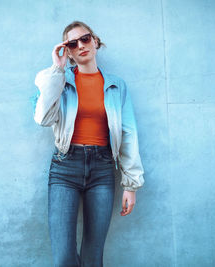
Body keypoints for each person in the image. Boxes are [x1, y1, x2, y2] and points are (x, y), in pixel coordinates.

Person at [32, 20, 145, 267]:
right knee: (63, 258)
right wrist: (57, 70)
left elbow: (128, 133)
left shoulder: (116, 85)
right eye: (72, 44)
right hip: (65, 168)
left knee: (94, 257)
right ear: (68, 52)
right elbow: (42, 118)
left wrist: (131, 184)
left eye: (85, 39)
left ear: (95, 40)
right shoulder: (56, 81)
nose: (81, 45)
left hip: (103, 170)